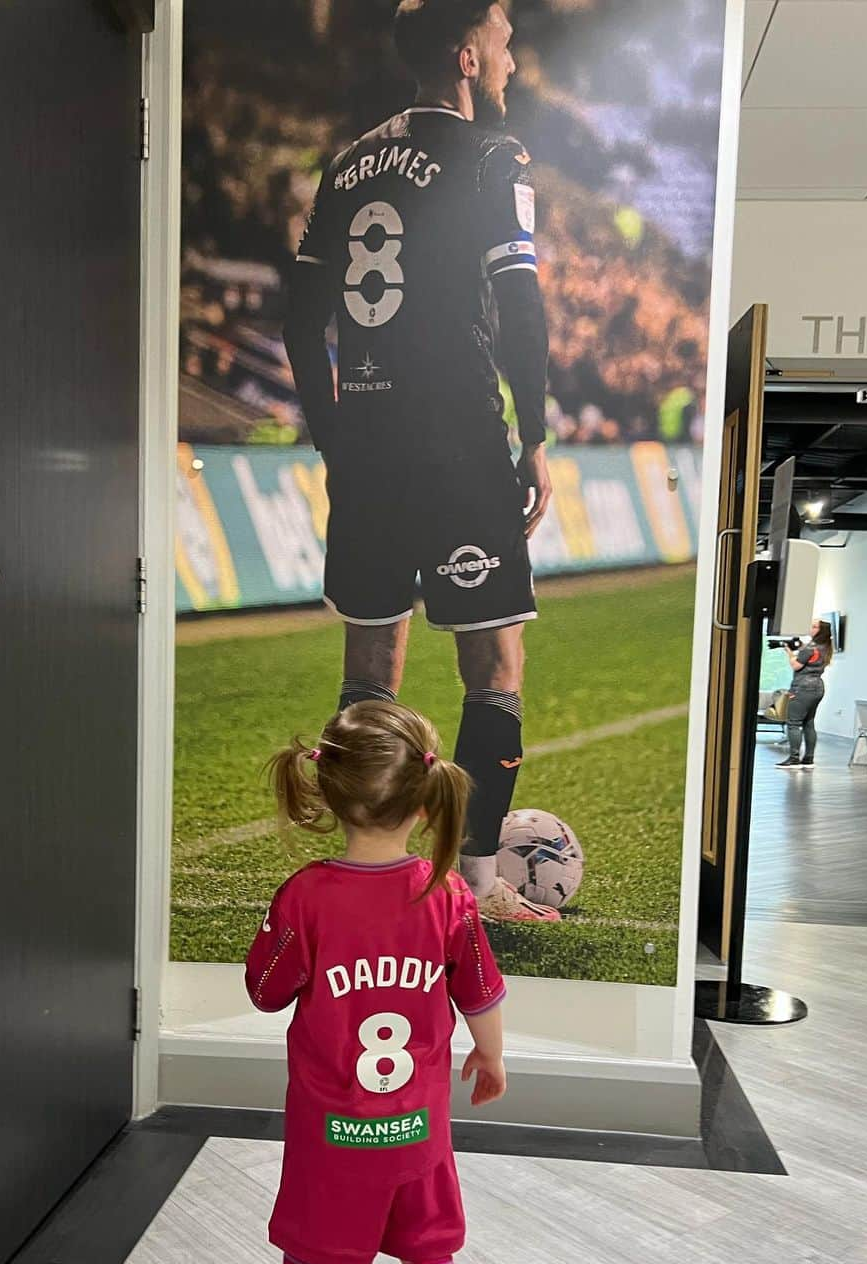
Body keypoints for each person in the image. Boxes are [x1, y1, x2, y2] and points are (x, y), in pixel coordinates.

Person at [283, 0, 556, 923]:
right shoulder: (492, 158)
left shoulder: (350, 160)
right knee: (495, 671)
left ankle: (366, 879)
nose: (514, 57)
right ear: (466, 55)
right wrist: (538, 435)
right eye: (504, 39)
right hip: (459, 449)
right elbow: (519, 305)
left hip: (366, 448)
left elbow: (297, 314)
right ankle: (476, 891)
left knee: (369, 673)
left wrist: (331, 434)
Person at [247, 700, 509, 1264]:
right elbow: (480, 992)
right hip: (415, 1127)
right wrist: (492, 1057)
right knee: (429, 1251)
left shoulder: (305, 897)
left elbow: (264, 991)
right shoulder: (447, 894)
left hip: (329, 1129)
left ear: (328, 794)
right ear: (425, 803)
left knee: (313, 1242)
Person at [777, 618, 834, 770]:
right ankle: (808, 758)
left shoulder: (811, 647)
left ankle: (794, 758)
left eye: (815, 627)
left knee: (794, 723)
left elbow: (796, 666)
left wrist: (790, 653)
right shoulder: (825, 647)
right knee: (809, 723)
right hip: (818, 687)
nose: (811, 628)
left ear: (821, 631)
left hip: (802, 687)